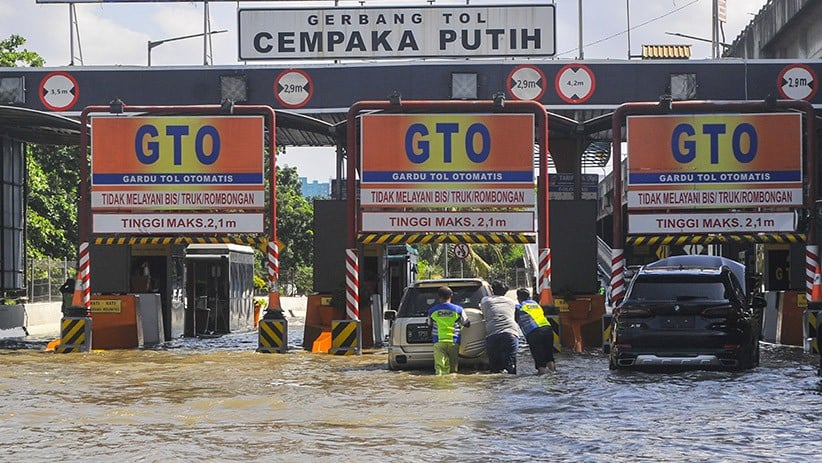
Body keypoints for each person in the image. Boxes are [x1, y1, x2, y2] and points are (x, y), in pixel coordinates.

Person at [427, 286, 470, 376]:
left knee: (440, 367)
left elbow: (429, 324)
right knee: (453, 368)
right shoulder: (458, 309)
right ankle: (453, 382)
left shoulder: (432, 310)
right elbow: (466, 323)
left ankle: (440, 382)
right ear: (451, 296)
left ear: (439, 297)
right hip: (453, 341)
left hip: (439, 342)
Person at [480, 280, 520, 374]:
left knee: (495, 368)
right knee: (510, 366)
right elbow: (516, 318)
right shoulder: (511, 302)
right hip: (511, 334)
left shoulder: (485, 300)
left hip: (493, 335)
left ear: (492, 290)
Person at [515, 288, 556, 374]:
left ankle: (542, 377)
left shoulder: (519, 307)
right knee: (549, 356)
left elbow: (516, 320)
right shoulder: (536, 304)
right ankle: (554, 375)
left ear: (518, 298)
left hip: (534, 332)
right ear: (529, 297)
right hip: (547, 329)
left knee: (540, 360)